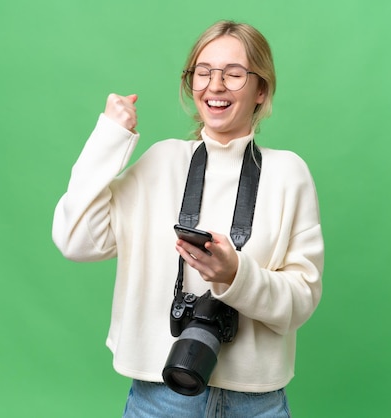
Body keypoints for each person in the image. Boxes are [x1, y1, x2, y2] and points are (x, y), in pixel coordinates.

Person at [52, 20, 324, 417]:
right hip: (160, 397)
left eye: (234, 74)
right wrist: (108, 139)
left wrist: (235, 275)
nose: (215, 86)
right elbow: (74, 240)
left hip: (256, 401)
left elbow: (302, 300)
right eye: (203, 72)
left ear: (261, 90)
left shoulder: (289, 174)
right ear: (190, 83)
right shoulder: (161, 162)